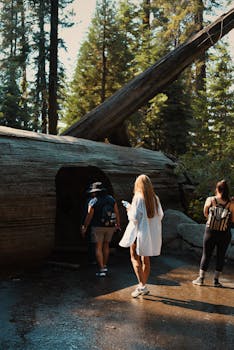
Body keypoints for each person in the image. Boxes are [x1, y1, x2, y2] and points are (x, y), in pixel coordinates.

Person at [119, 174, 164, 298]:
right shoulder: (155, 198)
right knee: (146, 260)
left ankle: (142, 286)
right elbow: (160, 215)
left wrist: (129, 209)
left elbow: (133, 218)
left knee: (134, 257)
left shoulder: (138, 198)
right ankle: (143, 285)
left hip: (139, 233)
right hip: (150, 234)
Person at [192, 180, 234, 287]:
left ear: (217, 189)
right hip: (225, 233)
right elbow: (233, 219)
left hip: (210, 232)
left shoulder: (211, 200)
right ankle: (216, 281)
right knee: (221, 256)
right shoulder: (231, 203)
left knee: (206, 254)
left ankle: (201, 279)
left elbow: (205, 214)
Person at [81, 182, 120, 277]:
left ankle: (101, 269)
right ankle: (105, 266)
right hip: (109, 226)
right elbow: (117, 213)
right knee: (106, 246)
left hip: (97, 227)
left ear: (95, 192)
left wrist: (84, 226)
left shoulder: (93, 201)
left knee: (98, 247)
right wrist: (117, 224)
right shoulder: (111, 199)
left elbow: (89, 216)